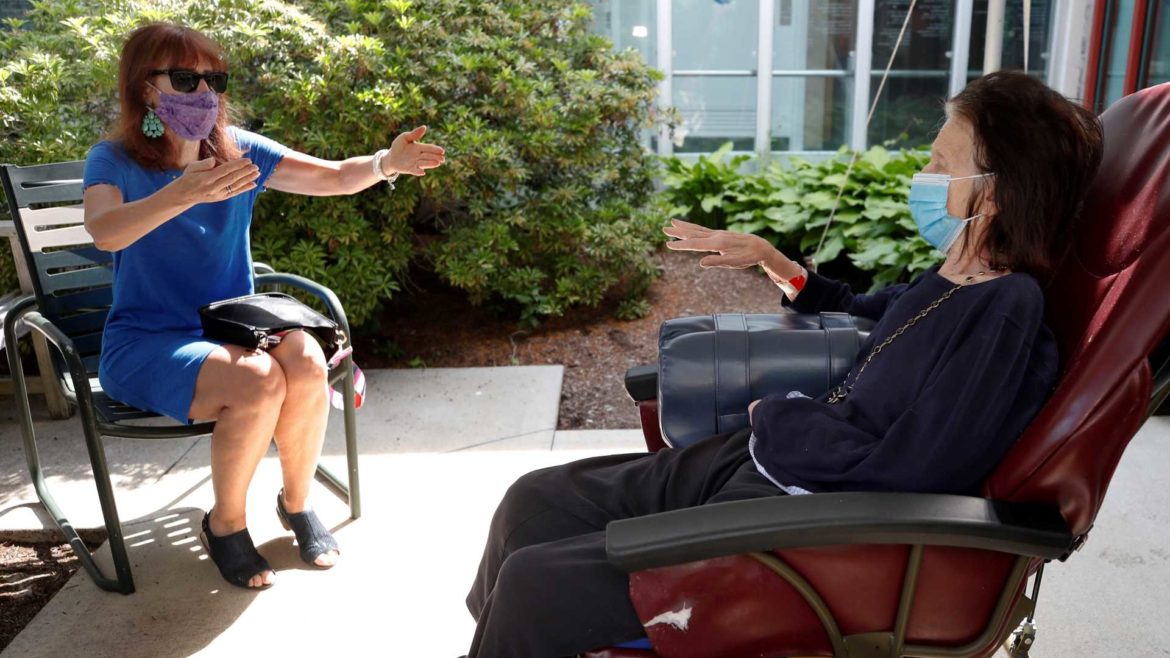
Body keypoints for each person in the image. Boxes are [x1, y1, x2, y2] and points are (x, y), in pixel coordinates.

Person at [464, 71, 1103, 656]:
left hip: (804, 514)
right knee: (530, 504)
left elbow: (921, 467)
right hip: (764, 460)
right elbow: (859, 309)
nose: (925, 173)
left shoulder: (1007, 309)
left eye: (942, 163)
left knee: (533, 585)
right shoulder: (951, 278)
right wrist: (772, 259)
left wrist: (783, 415)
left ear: (995, 193)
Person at [82, 23, 445, 590]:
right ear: (146, 88)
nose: (205, 92)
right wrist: (182, 193)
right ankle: (225, 525)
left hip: (233, 325)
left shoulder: (238, 150)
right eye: (186, 79)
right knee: (257, 380)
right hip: (148, 342)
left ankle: (296, 504)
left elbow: (333, 177)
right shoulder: (113, 159)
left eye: (215, 79)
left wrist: (385, 163)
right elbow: (105, 231)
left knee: (305, 356)